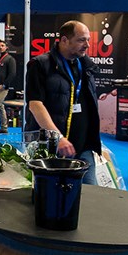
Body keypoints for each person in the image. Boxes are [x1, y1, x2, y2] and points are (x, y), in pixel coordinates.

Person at [25, 21, 101, 183]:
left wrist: (95, 142)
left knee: (91, 195)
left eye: (88, 40)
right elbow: (35, 105)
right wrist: (58, 137)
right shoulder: (40, 65)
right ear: (64, 40)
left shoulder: (86, 67)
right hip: (49, 147)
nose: (87, 45)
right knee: (48, 196)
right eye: (81, 40)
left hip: (83, 147)